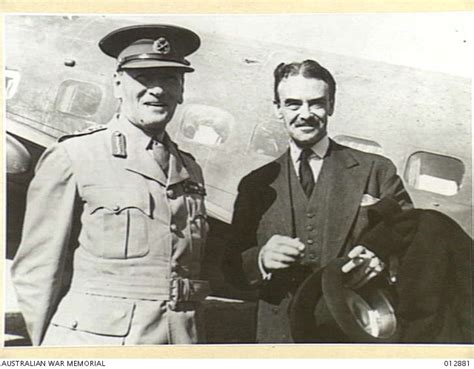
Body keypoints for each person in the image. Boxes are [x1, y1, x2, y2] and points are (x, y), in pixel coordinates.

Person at [12, 24, 210, 346]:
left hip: (180, 341)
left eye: (169, 79)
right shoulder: (74, 156)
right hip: (95, 344)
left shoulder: (190, 169)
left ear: (182, 89)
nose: (158, 90)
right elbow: (37, 270)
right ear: (118, 84)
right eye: (144, 79)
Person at [223, 59, 412, 343]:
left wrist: (381, 257)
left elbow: (413, 237)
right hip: (280, 338)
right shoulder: (255, 185)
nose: (305, 114)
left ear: (331, 105)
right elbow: (231, 268)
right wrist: (260, 259)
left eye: (316, 103)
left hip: (354, 333)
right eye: (293, 104)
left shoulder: (377, 170)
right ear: (278, 109)